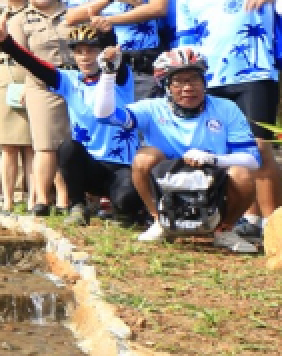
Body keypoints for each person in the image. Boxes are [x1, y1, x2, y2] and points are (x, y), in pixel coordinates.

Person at [170, 0, 282, 240]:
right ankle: (245, 219)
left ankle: (276, 225)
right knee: (227, 151)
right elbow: (187, 39)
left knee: (260, 149)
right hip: (211, 80)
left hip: (254, 73)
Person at [104, 47, 261, 251]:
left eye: (194, 79)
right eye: (179, 81)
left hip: (213, 177)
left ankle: (224, 230)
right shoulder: (152, 108)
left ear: (204, 82)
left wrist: (213, 159)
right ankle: (159, 221)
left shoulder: (226, 108)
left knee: (243, 174)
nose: (188, 87)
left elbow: (253, 160)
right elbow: (105, 115)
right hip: (166, 176)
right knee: (143, 158)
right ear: (166, 86)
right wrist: (108, 74)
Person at [0, 20, 141, 227]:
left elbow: (114, 59)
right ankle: (77, 206)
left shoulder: (118, 78)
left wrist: (108, 36)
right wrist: (6, 43)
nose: (85, 57)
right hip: (89, 166)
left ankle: (122, 211)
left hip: (121, 167)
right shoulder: (69, 80)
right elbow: (35, 65)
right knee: (68, 147)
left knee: (127, 201)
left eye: (91, 51)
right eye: (79, 51)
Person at [6, 0, 74, 216]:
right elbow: (20, 57)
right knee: (45, 145)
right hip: (41, 85)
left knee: (72, 143)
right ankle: (43, 199)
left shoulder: (73, 12)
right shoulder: (19, 21)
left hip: (75, 83)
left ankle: (67, 199)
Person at [0, 0, 33, 211]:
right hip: (4, 78)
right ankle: (7, 198)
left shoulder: (33, 12)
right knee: (7, 144)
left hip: (29, 76)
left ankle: (32, 197)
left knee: (30, 144)